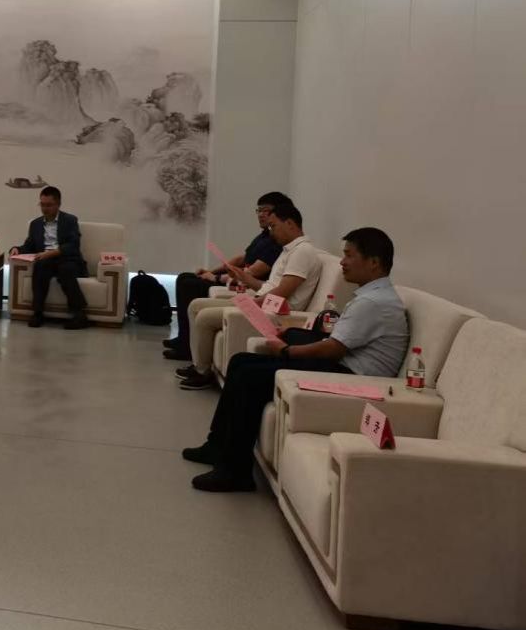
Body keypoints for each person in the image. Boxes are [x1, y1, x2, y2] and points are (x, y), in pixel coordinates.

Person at [182, 227, 408, 492]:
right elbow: (338, 339)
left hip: (354, 380)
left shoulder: (373, 302)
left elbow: (332, 349)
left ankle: (235, 472)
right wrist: (291, 335)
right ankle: (217, 445)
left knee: (249, 375)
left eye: (349, 255)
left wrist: (286, 351)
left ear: (373, 262)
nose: (342, 262)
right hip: (342, 364)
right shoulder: (373, 296)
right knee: (241, 361)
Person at [178, 203, 321, 390]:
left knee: (205, 317)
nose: (271, 232)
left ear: (290, 223)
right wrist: (244, 278)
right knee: (196, 305)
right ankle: (198, 362)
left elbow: (283, 292)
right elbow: (268, 286)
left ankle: (202, 371)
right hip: (264, 302)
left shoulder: (303, 252)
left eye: (274, 226)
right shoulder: (289, 250)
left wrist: (253, 303)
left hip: (277, 312)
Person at [164, 192, 287, 361]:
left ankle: (187, 347)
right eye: (258, 210)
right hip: (235, 279)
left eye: (265, 210)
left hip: (244, 285)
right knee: (185, 277)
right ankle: (184, 337)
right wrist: (211, 271)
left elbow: (253, 271)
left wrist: (215, 278)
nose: (260, 215)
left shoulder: (276, 241)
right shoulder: (264, 235)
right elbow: (242, 258)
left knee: (188, 285)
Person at [11, 185, 89, 330]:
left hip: (67, 258)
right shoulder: (35, 224)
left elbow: (73, 245)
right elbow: (30, 245)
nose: (45, 208)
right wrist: (17, 249)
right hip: (46, 260)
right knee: (40, 266)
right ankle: (37, 313)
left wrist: (52, 253)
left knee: (66, 270)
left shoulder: (70, 220)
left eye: (49, 205)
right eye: (42, 204)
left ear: (58, 204)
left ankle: (79, 315)